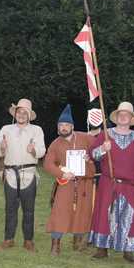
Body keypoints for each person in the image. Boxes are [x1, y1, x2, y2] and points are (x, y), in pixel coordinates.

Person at [88, 101, 134, 263]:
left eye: (127, 114)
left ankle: (128, 249)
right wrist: (103, 149)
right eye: (121, 114)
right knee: (104, 214)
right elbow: (92, 155)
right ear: (116, 117)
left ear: (131, 118)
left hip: (129, 185)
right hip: (108, 182)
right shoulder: (105, 135)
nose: (124, 117)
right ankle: (102, 248)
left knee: (128, 217)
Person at [44, 105, 95, 255]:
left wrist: (91, 157)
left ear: (72, 126)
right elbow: (47, 163)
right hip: (65, 183)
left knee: (82, 213)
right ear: (58, 127)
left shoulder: (86, 138)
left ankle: (78, 241)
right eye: (61, 125)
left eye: (67, 125)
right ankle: (55, 244)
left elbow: (100, 150)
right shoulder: (55, 143)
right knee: (59, 213)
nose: (64, 128)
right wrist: (60, 173)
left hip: (84, 183)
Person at [0, 99, 45, 252]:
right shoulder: (5, 129)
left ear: (29, 115)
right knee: (10, 208)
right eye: (19, 112)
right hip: (10, 173)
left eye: (25, 112)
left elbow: (42, 150)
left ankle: (28, 241)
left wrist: (33, 150)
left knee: (28, 210)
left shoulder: (36, 130)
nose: (22, 115)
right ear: (15, 113)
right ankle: (9, 239)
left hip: (28, 174)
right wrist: (2, 148)